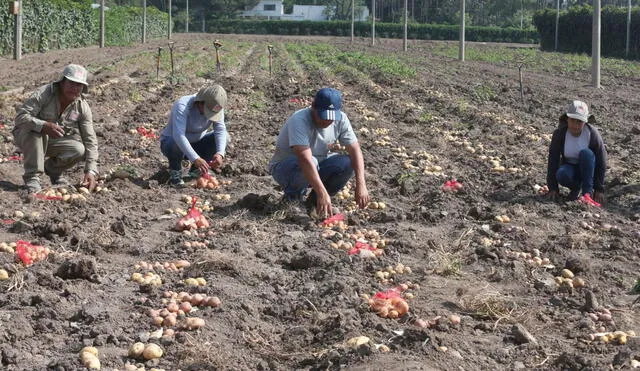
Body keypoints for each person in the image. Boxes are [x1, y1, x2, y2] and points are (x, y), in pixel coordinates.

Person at [269, 87, 370, 217]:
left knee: (346, 163)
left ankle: (315, 203)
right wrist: (323, 192)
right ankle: (293, 199)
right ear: (313, 107)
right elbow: (304, 159)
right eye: (323, 116)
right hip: (286, 168)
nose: (327, 121)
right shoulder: (299, 120)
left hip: (316, 164)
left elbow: (355, 149)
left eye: (331, 117)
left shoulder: (341, 119)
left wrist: (361, 184)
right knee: (311, 161)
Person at [13, 64, 99, 194]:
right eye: (71, 83)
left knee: (79, 149)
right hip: (27, 137)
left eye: (79, 85)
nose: (74, 88)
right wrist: (43, 125)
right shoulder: (45, 94)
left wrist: (90, 170)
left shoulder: (82, 107)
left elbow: (90, 139)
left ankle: (53, 170)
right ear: (62, 82)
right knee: (37, 132)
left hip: (53, 142)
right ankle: (32, 177)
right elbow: (20, 117)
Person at [160, 83, 228, 186]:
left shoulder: (216, 106)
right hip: (173, 145)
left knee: (225, 137)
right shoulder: (182, 106)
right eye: (207, 111)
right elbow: (179, 135)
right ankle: (175, 172)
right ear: (200, 103)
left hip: (197, 143)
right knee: (174, 142)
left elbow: (220, 129)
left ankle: (196, 170)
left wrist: (220, 153)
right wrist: (195, 158)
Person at [546, 100, 607, 206]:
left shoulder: (592, 134)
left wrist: (599, 188)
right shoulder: (560, 134)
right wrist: (553, 188)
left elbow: (601, 161)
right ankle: (576, 188)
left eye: (580, 121)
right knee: (562, 173)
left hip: (589, 169)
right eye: (573, 120)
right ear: (567, 119)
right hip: (570, 168)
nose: (576, 124)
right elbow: (553, 160)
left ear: (585, 122)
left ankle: (587, 193)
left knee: (586, 153)